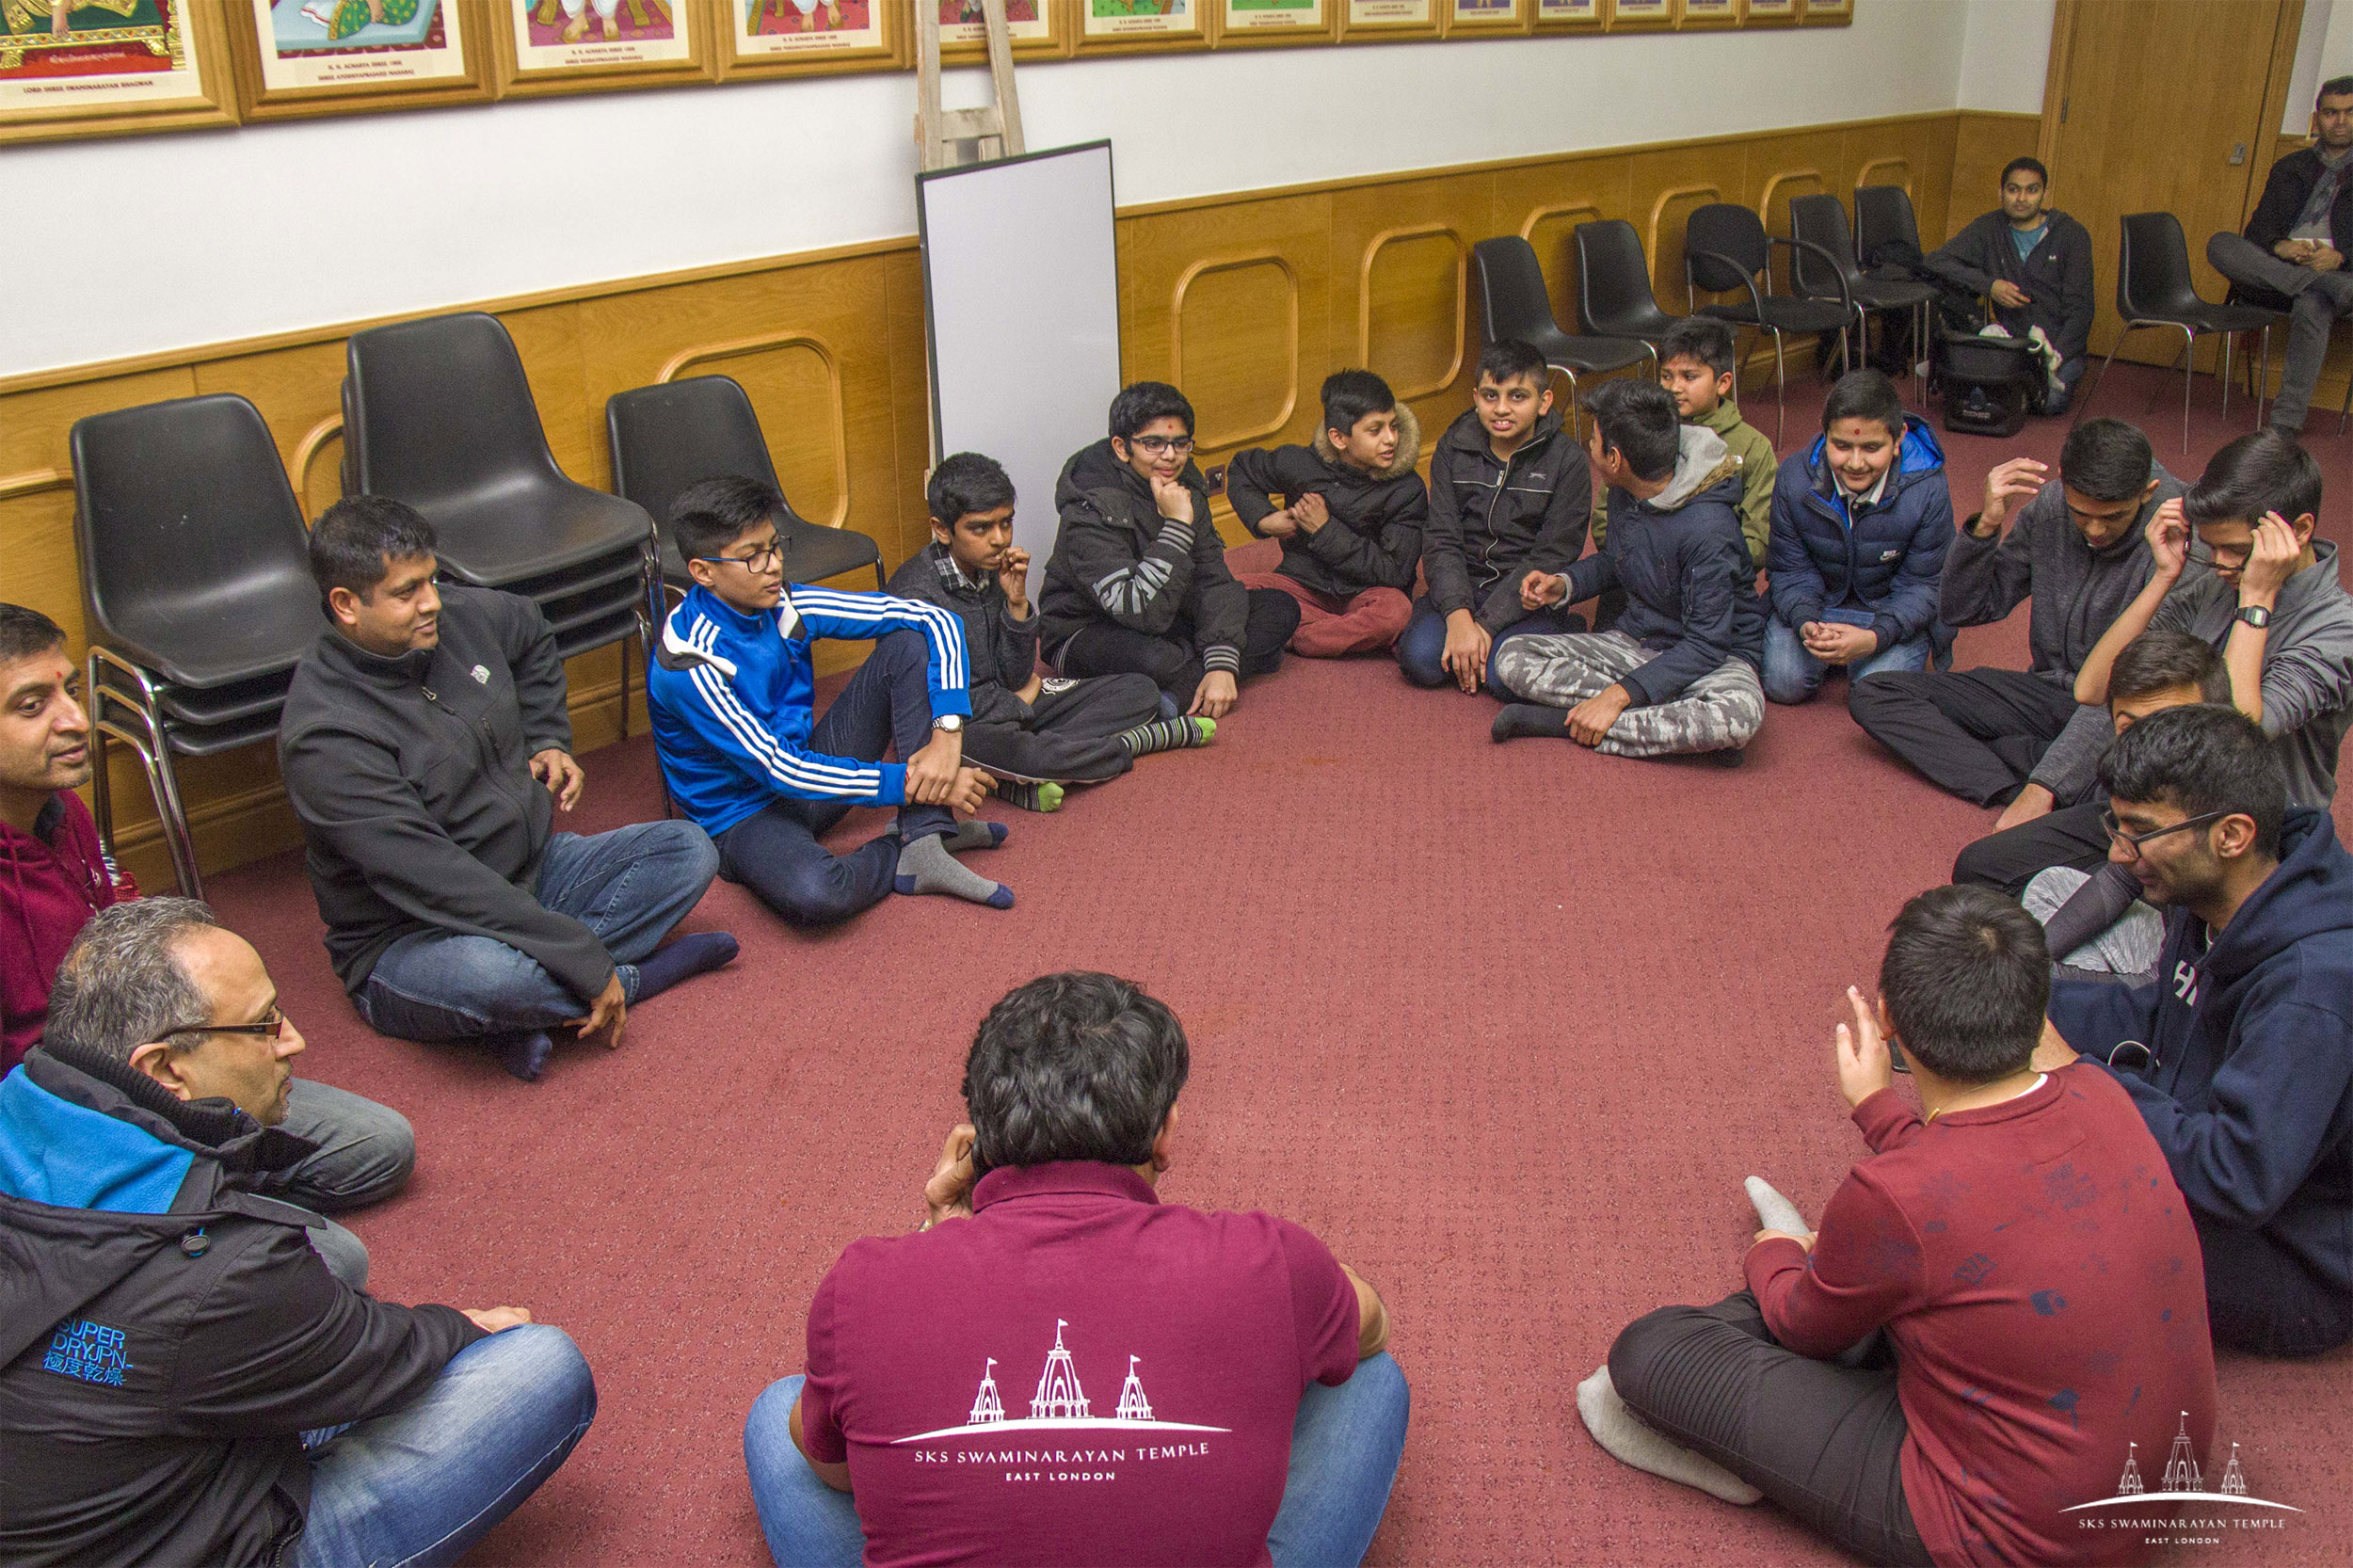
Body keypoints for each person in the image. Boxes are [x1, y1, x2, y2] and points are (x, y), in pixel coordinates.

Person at [1588, 886, 2217, 1567]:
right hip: (2154, 1488)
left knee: (1650, 1351)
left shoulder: (1895, 1196)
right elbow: (1978, 1176)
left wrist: (1773, 1255)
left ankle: (1755, 1438)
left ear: (1885, 1020)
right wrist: (1878, 1112)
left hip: (2009, 1538)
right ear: (2040, 1015)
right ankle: (1835, 1270)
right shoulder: (2104, 1095)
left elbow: (1802, 1324)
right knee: (1912, 1277)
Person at [0, 898, 596, 1568]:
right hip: (178, 1533)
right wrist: (461, 1330)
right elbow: (379, 1350)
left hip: (82, 1473)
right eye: (263, 1026)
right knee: (540, 1365)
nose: (294, 1041)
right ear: (165, 1069)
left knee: (327, 1268)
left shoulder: (27, 1098)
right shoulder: (228, 1266)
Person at [742, 971, 1409, 1568]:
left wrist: (937, 1236)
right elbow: (1371, 1326)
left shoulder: (862, 1283)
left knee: (785, 1416)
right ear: (1165, 1130)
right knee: (1369, 1374)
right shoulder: (1270, 1259)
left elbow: (839, 1476)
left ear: (978, 1138)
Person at [0, 603, 415, 1267]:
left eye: (69, 692)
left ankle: (216, 1193)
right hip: (64, 1128)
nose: (75, 721)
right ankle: (198, 1206)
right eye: (31, 706)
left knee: (379, 1146)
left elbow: (129, 923)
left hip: (163, 1070)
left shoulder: (61, 811)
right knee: (335, 1264)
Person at [280, 498, 736, 1084]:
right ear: (346, 604)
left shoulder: (452, 621)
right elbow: (436, 880)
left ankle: (524, 1020)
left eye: (433, 579)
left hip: (531, 869)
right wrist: (580, 955)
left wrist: (549, 737)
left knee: (689, 849)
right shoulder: (325, 737)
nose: (433, 602)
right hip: (414, 933)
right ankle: (628, 979)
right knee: (499, 979)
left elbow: (532, 633)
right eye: (407, 592)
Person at [2042, 704, 2353, 1357]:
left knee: (2035, 1215)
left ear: (2232, 834)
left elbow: (2235, 1178)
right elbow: (2159, 1017)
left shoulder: (2312, 988)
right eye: (2116, 824)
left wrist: (2076, 1076)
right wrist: (2016, 999)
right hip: (2201, 1150)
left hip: (2296, 1261)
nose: (2118, 853)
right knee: (2020, 1147)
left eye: (2142, 831)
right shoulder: (2214, 895)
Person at [649, 475, 1016, 916]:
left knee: (908, 645)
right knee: (820, 895)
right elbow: (778, 768)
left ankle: (927, 834)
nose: (773, 565)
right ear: (702, 572)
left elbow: (936, 620)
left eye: (774, 545)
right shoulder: (688, 660)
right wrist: (913, 784)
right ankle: (904, 849)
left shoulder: (785, 603)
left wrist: (948, 737)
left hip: (805, 774)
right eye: (752, 557)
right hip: (741, 815)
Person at [1849, 419, 2181, 812]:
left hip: (2119, 710)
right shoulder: (2052, 506)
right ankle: (2021, 780)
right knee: (1876, 693)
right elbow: (1963, 610)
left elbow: (2139, 690)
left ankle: (2041, 771)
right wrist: (1986, 526)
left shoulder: (2178, 537)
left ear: (2148, 493)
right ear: (2062, 481)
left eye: (2112, 518)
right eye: (2081, 513)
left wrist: (2045, 785)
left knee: (2146, 752)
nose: (2094, 529)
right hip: (2046, 692)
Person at [886, 454, 1211, 814]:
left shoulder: (988, 568)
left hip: (1008, 704)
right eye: (980, 528)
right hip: (953, 727)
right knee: (1025, 750)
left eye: (1005, 523)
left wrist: (1017, 606)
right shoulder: (914, 595)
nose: (999, 539)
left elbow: (1014, 675)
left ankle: (1021, 777)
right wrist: (1017, 702)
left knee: (1139, 690)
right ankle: (1132, 743)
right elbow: (921, 702)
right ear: (942, 529)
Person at [2073, 428, 2353, 809]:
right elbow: (2093, 687)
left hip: (2254, 830)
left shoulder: (2339, 630)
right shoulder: (2218, 586)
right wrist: (2163, 577)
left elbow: (2233, 736)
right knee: (1988, 862)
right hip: (2169, 794)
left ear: (2300, 531)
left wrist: (2256, 600)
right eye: (2213, 547)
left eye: (2238, 550)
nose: (2221, 564)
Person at [1490, 379, 1765, 763]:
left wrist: (1616, 696)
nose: (1590, 447)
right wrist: (1565, 585)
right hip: (1636, 642)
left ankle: (1563, 722)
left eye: (1595, 440)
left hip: (1712, 661)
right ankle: (1665, 728)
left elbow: (1708, 643)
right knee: (1513, 656)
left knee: (1735, 719)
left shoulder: (1709, 530)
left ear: (1615, 459)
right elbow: (1618, 561)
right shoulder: (1625, 488)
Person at [1958, 632, 2228, 969]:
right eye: (2130, 728)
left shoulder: (2219, 821)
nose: (2146, 748)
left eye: (2166, 729)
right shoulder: (2134, 797)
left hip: (2171, 976)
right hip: (2152, 944)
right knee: (1989, 871)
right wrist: (2031, 968)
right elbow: (2118, 878)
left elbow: (2167, 990)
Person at [1039, 382, 1301, 720]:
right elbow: (1137, 609)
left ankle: (1179, 691)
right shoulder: (1090, 502)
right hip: (1089, 627)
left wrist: (1221, 661)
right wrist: (1177, 524)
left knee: (1280, 608)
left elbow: (1213, 578)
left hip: (1171, 611)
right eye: (1154, 444)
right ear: (1122, 447)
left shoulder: (1186, 481)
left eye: (1180, 444)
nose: (1170, 456)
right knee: (1160, 659)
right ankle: (1203, 674)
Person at [1396, 339, 1593, 693]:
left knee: (1504, 677)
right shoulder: (1452, 447)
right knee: (1422, 661)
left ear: (1544, 402)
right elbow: (1441, 538)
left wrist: (1484, 626)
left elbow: (1553, 553)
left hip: (1524, 592)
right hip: (1464, 583)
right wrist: (1458, 616)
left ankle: (1566, 627)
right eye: (1490, 396)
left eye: (1518, 396)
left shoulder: (1568, 461)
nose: (1501, 409)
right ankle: (1472, 633)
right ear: (1475, 398)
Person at [1763, 370, 1953, 706]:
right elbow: (1789, 569)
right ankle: (1838, 652)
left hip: (1888, 610)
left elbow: (1925, 584)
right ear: (1824, 431)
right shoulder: (1792, 478)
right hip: (1819, 606)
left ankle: (1869, 658)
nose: (1855, 463)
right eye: (1841, 446)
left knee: (1873, 693)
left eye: (1871, 447)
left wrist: (1875, 637)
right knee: (1783, 684)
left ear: (1899, 440)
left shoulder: (1928, 488)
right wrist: (1805, 620)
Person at [1228, 369, 1426, 657]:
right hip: (1300, 585)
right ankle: (1335, 632)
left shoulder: (1408, 489)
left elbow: (1394, 572)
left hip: (1366, 593)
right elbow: (1243, 470)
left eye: (1393, 426)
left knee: (1396, 612)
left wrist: (1325, 530)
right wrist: (1264, 520)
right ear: (1338, 437)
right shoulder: (1299, 463)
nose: (1391, 439)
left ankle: (1298, 636)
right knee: (1224, 592)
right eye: (1376, 430)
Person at [2206, 76, 2353, 435]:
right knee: (2220, 243)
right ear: (2316, 118)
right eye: (2331, 113)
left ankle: (2285, 424)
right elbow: (2256, 233)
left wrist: (2342, 258)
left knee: (2314, 302)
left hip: (2340, 271)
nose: (2340, 121)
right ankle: (2319, 283)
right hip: (2281, 271)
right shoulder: (2291, 167)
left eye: (2350, 113)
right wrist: (2282, 247)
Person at [1923, 156, 2095, 414]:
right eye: (2013, 190)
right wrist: (1989, 285)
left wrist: (2055, 355)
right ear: (2001, 192)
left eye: (2031, 190)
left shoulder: (2072, 235)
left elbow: (2081, 310)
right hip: (2009, 342)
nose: (2022, 198)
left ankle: (2026, 384)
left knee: (2049, 404)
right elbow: (1936, 261)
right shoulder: (1989, 227)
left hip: (2056, 346)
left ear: (2045, 194)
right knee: (1966, 393)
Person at [1655, 317, 1775, 571]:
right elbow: (1607, 517)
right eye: (1666, 376)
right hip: (1648, 570)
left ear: (1723, 383)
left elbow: (1757, 538)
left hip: (1720, 576)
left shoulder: (1753, 447)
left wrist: (1707, 565)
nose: (1674, 387)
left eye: (1689, 376)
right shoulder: (1642, 432)